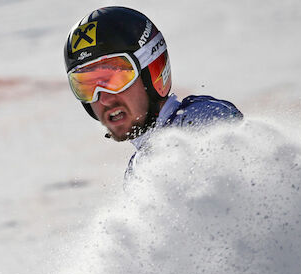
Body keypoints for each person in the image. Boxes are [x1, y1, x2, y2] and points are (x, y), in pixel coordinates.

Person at [63, 6, 243, 178]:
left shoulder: (201, 120)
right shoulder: (137, 169)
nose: (104, 99)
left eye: (116, 78)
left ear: (152, 69)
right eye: (87, 86)